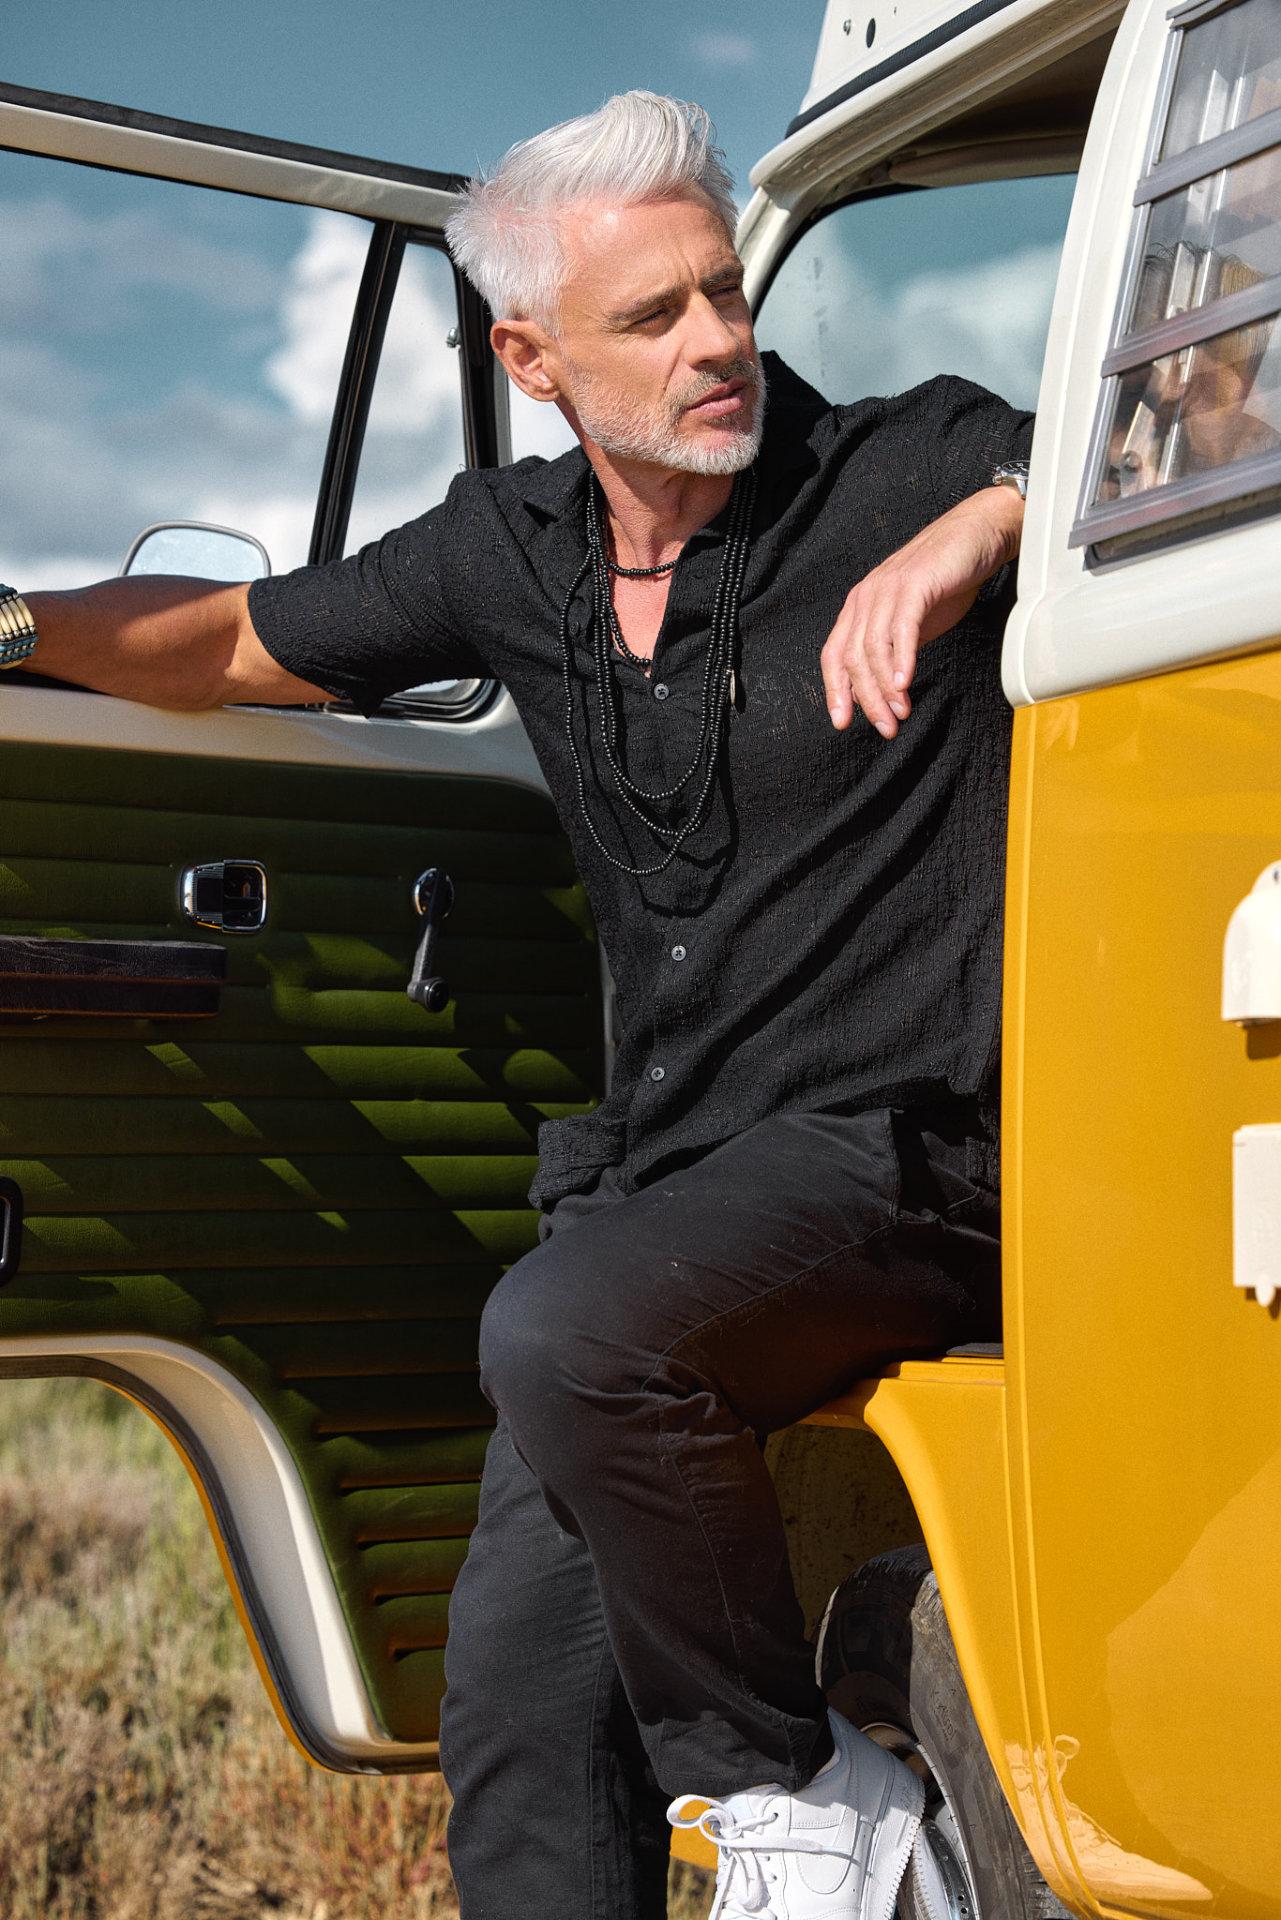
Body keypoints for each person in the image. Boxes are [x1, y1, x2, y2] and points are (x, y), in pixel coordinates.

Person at [9, 91, 1032, 1920]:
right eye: (653, 316)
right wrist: (16, 631)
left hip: (915, 1155)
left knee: (565, 1330)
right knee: (519, 1718)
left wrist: (983, 530)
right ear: (530, 359)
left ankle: (798, 1789)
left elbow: (1179, 437)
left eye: (725, 293)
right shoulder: (509, 547)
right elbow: (231, 642)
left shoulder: (904, 461)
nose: (716, 341)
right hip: (677, 1180)